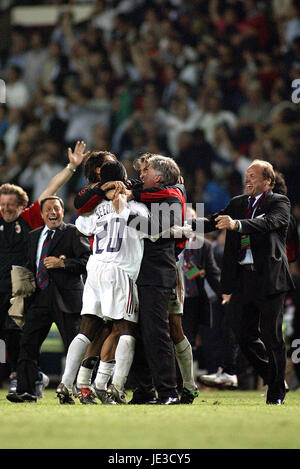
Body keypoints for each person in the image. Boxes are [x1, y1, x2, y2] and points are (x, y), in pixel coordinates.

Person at [191, 159, 294, 405]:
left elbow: (269, 223)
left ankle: (276, 392)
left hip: (269, 277)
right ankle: (275, 377)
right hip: (243, 279)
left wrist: (236, 225)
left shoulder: (279, 202)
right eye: (246, 176)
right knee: (242, 333)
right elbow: (214, 220)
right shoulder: (238, 203)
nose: (247, 180)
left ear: (268, 181)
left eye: (253, 176)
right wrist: (187, 225)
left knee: (272, 335)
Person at [57, 160, 151, 405]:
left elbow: (81, 228)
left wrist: (100, 201)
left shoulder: (92, 209)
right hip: (120, 270)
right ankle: (116, 387)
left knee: (87, 328)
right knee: (125, 328)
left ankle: (66, 384)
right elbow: (151, 231)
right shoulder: (138, 206)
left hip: (95, 268)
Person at [0, 140, 88, 394]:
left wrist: (71, 168)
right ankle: (30, 380)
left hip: (26, 291)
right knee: (19, 340)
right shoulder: (20, 229)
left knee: (20, 337)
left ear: (22, 205)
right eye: (2, 204)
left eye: (10, 205)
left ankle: (34, 380)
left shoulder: (30, 220)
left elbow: (52, 188)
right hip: (16, 290)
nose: (5, 209)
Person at [6, 194, 91, 403]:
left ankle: (74, 391)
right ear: (42, 214)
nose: (53, 212)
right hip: (40, 297)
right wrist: (23, 278)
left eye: (57, 208)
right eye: (48, 209)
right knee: (27, 343)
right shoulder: (34, 236)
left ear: (63, 211)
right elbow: (31, 264)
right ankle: (26, 390)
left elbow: (87, 260)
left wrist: (63, 264)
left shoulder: (73, 232)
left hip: (66, 298)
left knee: (73, 346)